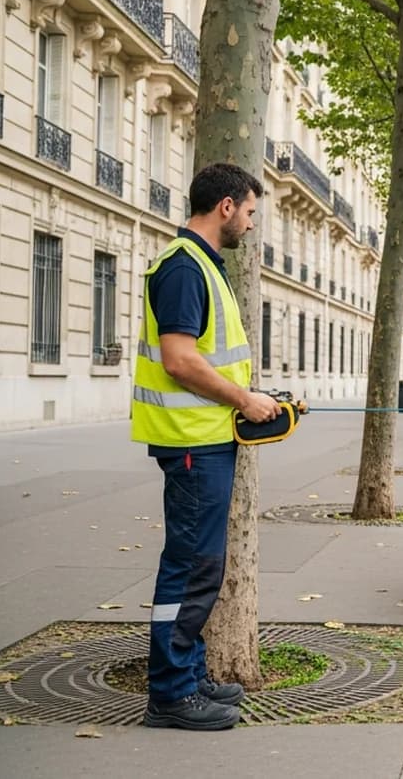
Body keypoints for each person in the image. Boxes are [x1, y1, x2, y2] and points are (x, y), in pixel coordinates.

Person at [130, 163, 281, 730]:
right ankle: (169, 694)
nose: (249, 223)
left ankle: (188, 677)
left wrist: (249, 397)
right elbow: (180, 360)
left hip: (206, 441)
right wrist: (244, 400)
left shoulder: (200, 267)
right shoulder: (185, 268)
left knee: (202, 568)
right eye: (249, 212)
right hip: (193, 446)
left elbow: (206, 358)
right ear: (225, 207)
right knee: (191, 570)